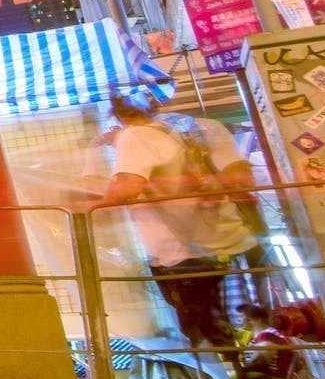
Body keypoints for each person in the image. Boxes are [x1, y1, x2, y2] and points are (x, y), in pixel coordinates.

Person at [101, 87, 262, 355]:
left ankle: (229, 371)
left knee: (205, 339)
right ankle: (246, 365)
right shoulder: (189, 130)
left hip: (183, 252)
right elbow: (241, 178)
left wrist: (94, 207)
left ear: (117, 115)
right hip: (230, 242)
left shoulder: (136, 135)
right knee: (239, 327)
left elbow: (128, 186)